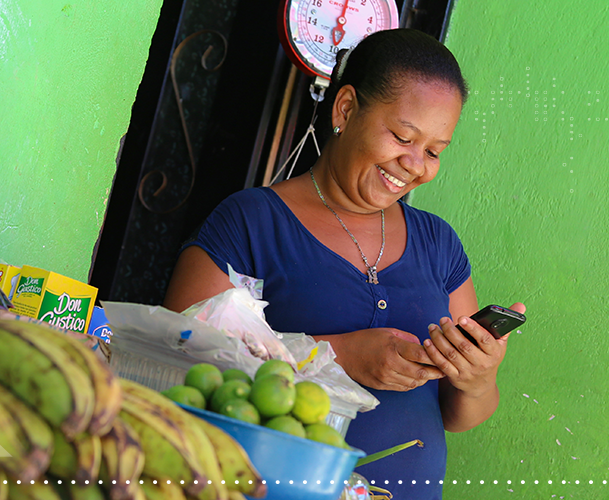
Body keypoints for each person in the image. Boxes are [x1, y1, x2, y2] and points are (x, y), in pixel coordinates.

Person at [162, 29, 526, 499]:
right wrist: (337, 355)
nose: (415, 164)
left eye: (434, 151)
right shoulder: (251, 221)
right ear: (346, 108)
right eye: (402, 136)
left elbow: (461, 416)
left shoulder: (439, 244)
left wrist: (477, 377)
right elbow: (178, 358)